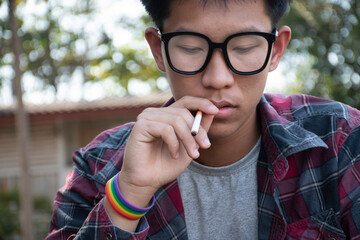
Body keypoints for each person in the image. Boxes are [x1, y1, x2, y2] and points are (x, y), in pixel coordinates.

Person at [46, 0, 360, 239]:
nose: (217, 78)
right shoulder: (98, 166)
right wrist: (127, 197)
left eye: (245, 47)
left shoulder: (341, 140)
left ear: (276, 50)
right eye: (191, 48)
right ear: (159, 50)